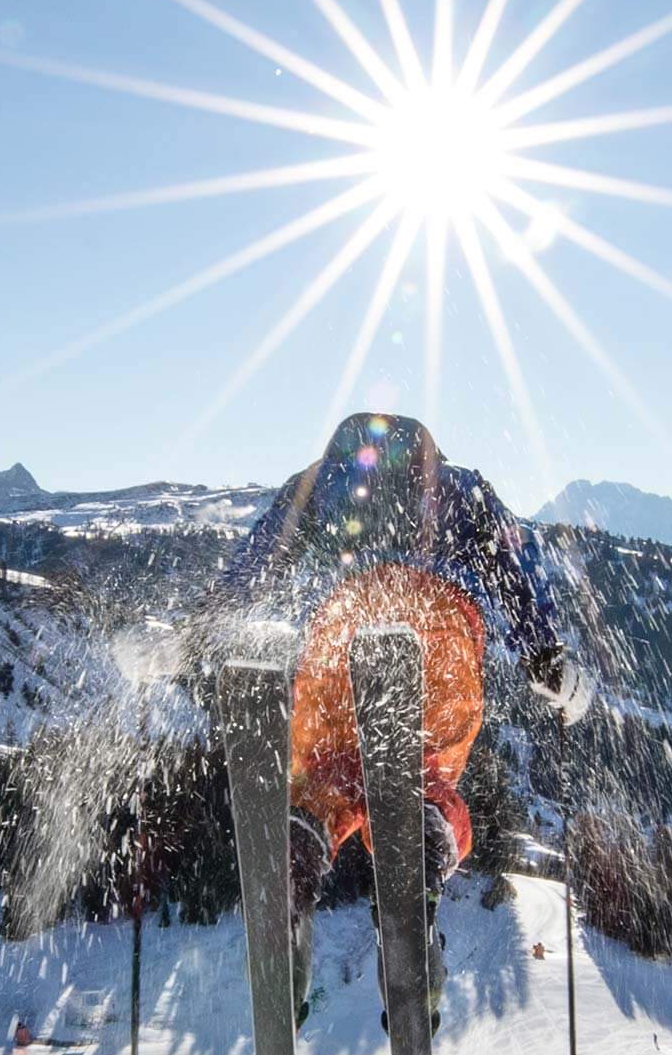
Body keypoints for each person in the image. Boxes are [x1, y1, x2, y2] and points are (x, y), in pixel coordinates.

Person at [221, 412, 591, 1024]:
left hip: (340, 630)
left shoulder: (317, 484)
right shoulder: (459, 487)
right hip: (438, 634)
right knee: (426, 778)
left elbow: (259, 558)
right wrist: (543, 650)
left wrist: (202, 626)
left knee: (321, 777)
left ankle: (292, 873)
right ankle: (414, 879)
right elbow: (513, 562)